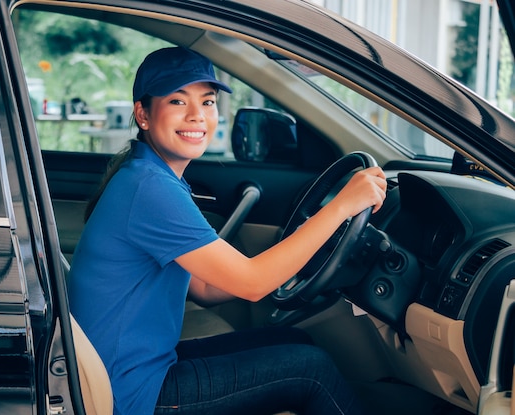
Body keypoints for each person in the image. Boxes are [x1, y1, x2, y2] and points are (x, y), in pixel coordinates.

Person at [68, 46, 387, 415]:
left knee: (293, 339)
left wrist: (293, 257)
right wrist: (341, 206)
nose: (196, 116)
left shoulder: (149, 176)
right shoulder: (150, 189)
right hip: (131, 394)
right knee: (311, 370)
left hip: (130, 370)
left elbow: (203, 289)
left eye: (207, 102)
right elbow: (251, 284)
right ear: (143, 114)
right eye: (177, 100)